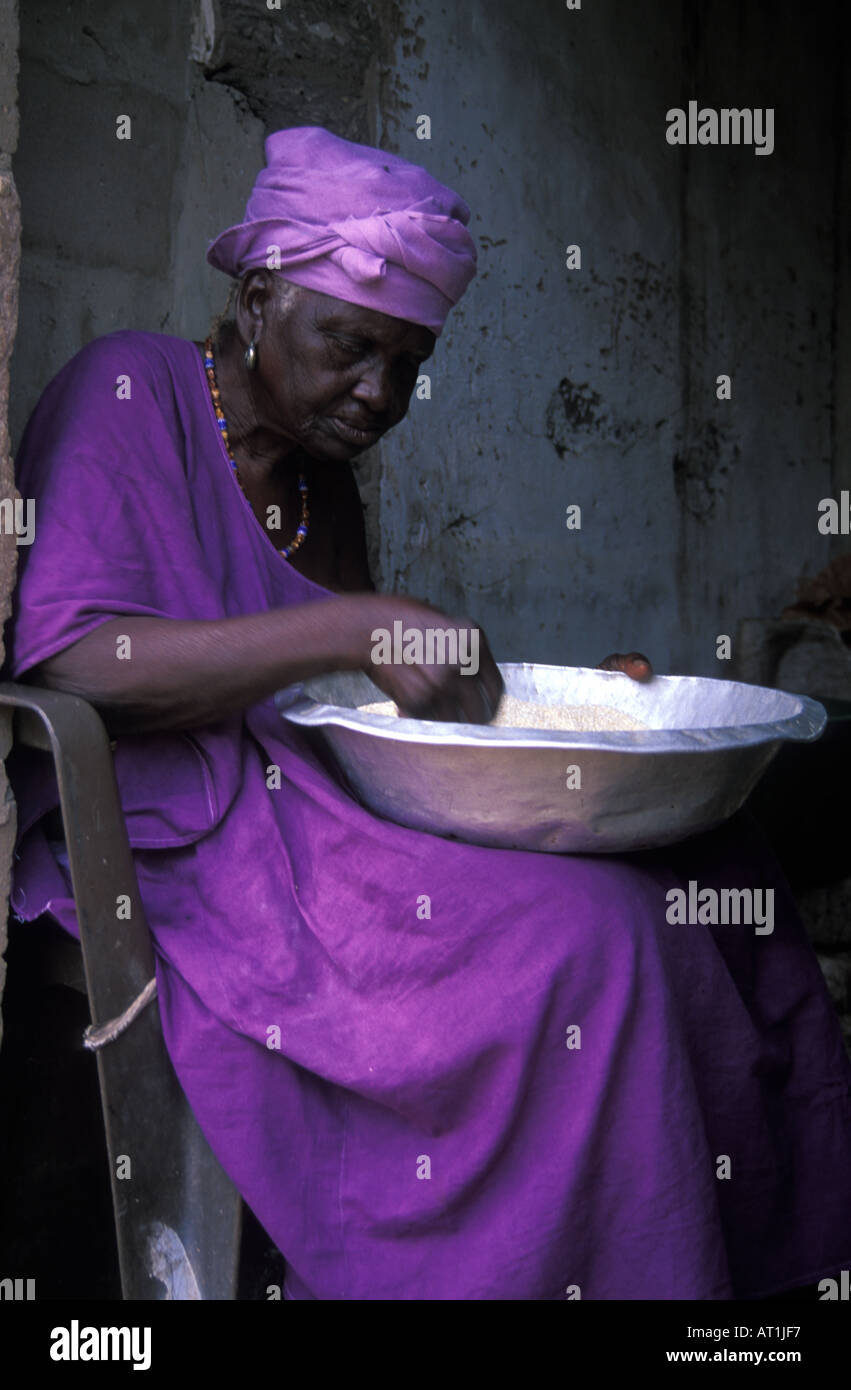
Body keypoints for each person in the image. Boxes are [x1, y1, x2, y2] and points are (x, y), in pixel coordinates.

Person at [5, 127, 851, 1301]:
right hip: (191, 852)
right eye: (351, 347)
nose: (380, 394)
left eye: (408, 364)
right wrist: (359, 627)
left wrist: (574, 703)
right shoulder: (129, 389)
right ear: (256, 299)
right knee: (593, 936)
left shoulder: (317, 483)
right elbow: (79, 661)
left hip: (318, 820)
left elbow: (360, 700)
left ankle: (741, 1281)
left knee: (709, 875)